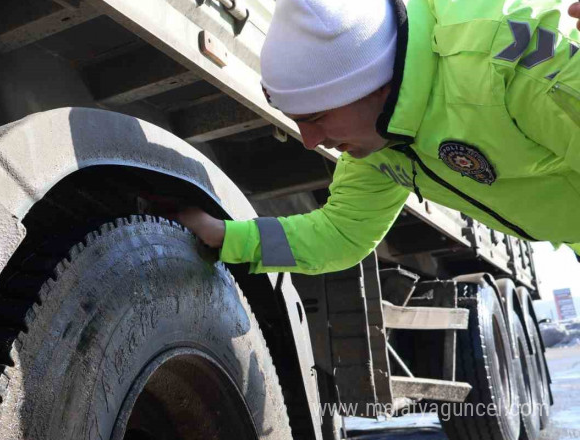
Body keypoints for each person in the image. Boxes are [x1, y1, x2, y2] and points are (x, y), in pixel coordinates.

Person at [170, 0, 580, 274]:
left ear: (374, 85)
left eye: (316, 117)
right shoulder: (382, 144)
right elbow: (341, 236)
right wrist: (226, 237)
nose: (310, 142)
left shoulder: (515, 65)